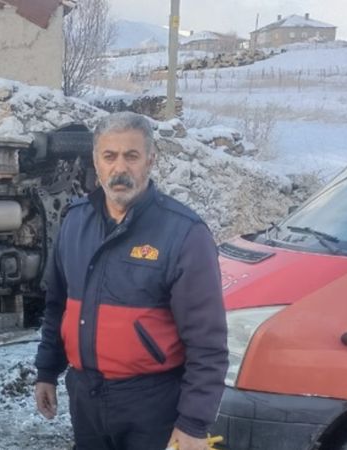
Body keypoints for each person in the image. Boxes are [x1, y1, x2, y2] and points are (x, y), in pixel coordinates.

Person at [33, 112, 228, 450]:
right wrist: (47, 371)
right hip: (85, 397)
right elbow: (57, 306)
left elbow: (207, 342)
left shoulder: (183, 233)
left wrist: (194, 424)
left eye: (131, 156)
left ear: (150, 160)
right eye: (109, 156)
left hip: (152, 403)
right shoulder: (75, 222)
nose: (119, 168)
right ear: (96, 160)